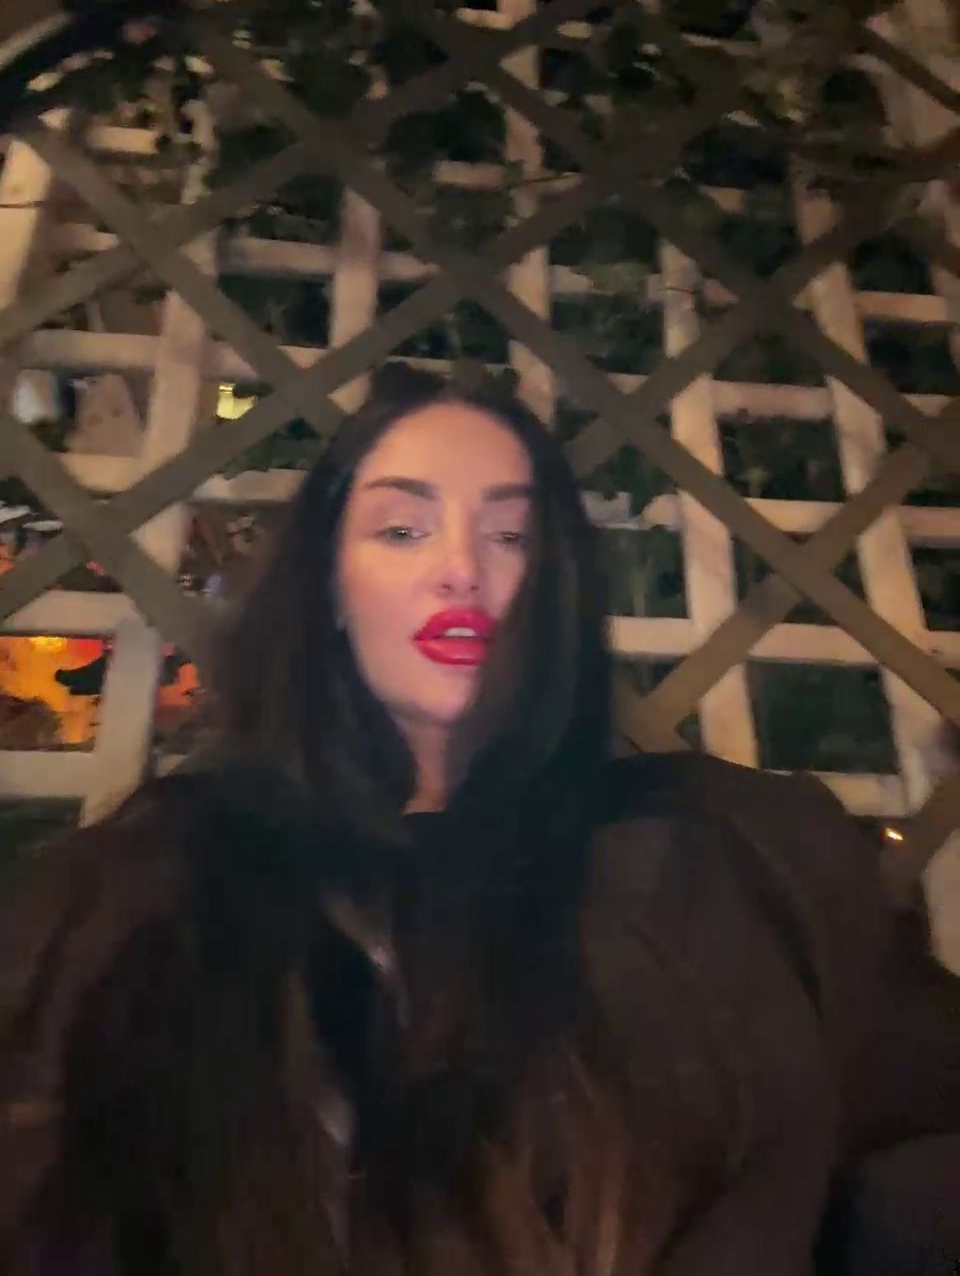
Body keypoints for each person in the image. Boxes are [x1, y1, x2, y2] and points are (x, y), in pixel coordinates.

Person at [0, 366, 956, 1275]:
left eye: (511, 536)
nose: (461, 569)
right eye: (403, 530)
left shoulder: (736, 859)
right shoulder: (142, 885)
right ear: (329, 588)